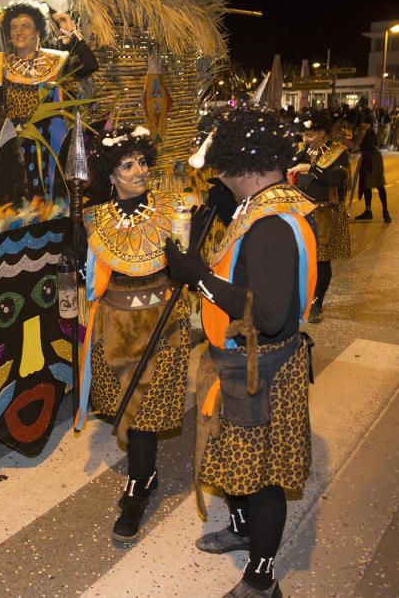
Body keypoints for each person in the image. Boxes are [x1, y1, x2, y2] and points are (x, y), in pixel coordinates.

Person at [163, 107, 317, 598]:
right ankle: (242, 529)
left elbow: (270, 315)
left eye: (224, 169)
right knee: (235, 458)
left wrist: (198, 278)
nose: (221, 179)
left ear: (245, 165)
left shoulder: (272, 224)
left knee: (266, 474)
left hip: (262, 367)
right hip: (242, 360)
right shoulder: (264, 206)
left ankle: (262, 576)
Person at [78, 125, 189, 544]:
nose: (139, 170)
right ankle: (147, 475)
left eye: (143, 161)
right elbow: (90, 275)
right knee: (126, 408)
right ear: (110, 174)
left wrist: (185, 259)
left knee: (143, 415)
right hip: (115, 325)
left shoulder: (172, 209)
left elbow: (185, 265)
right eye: (127, 164)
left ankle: (140, 484)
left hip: (163, 326)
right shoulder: (93, 218)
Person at [0, 1, 98, 200]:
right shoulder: (0, 66)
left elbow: (89, 65)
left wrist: (71, 32)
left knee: (51, 199)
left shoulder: (55, 62)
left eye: (25, 25)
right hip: (13, 146)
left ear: (38, 32)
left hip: (50, 144)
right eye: (14, 27)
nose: (19, 31)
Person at [288, 110, 351, 322]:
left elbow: (339, 178)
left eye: (311, 133)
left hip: (324, 212)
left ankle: (317, 302)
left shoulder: (338, 151)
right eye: (304, 133)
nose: (306, 137)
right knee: (299, 257)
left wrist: (312, 169)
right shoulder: (301, 150)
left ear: (323, 132)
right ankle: (300, 297)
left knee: (321, 260)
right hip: (300, 211)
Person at [352, 99, 390, 222]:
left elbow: (356, 143)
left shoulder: (364, 127)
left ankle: (383, 211)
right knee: (369, 185)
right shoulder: (369, 126)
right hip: (371, 156)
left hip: (371, 157)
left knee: (376, 184)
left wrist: (351, 146)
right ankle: (377, 211)